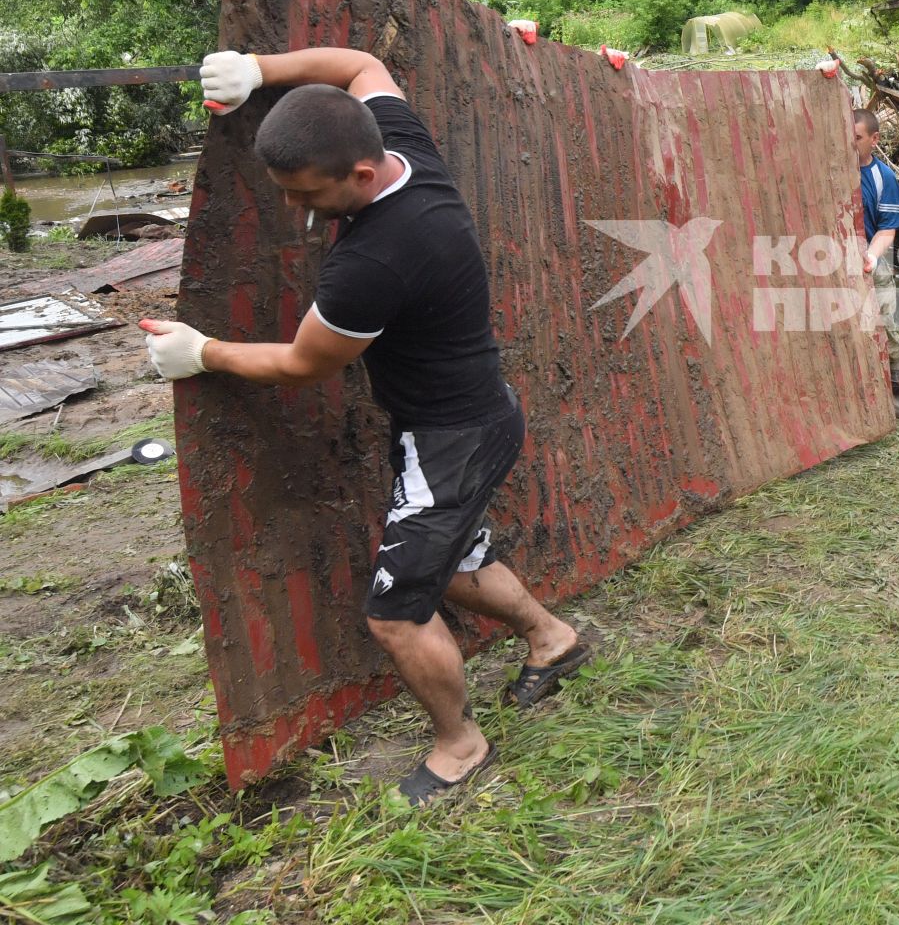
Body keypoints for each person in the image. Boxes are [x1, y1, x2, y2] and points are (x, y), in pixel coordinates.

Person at [141, 48, 589, 804]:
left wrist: (203, 352)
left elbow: (302, 364)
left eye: (305, 194)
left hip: (453, 440)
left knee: (395, 615)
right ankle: (554, 639)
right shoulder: (395, 141)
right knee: (452, 560)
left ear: (358, 176)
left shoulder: (377, 258)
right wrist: (258, 67)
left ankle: (460, 745)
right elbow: (362, 64)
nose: (296, 211)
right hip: (468, 420)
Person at [851, 108, 899, 420]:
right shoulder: (829, 169)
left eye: (857, 138)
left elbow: (888, 229)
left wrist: (872, 258)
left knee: (884, 326)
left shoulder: (881, 177)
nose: (850, 144)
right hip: (831, 262)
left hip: (871, 263)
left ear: (873, 140)